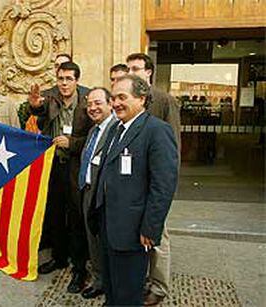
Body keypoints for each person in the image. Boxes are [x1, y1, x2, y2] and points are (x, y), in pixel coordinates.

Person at [95, 75, 178, 306]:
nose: (116, 103)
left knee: (129, 294)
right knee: (112, 289)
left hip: (133, 230)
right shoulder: (115, 129)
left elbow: (163, 185)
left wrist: (151, 228)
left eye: (122, 97)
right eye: (113, 98)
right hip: (109, 225)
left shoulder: (156, 130)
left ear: (141, 99)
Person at [28, 61, 93, 293]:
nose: (64, 83)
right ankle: (58, 257)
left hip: (75, 167)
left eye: (69, 79)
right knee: (54, 212)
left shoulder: (87, 101)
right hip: (53, 165)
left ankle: (79, 269)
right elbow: (37, 110)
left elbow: (96, 138)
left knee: (76, 217)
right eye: (61, 79)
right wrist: (33, 106)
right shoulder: (50, 97)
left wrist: (72, 143)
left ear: (77, 80)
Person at [126, 52, 181, 306]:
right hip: (132, 180)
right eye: (129, 68)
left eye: (136, 68)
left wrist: (166, 180)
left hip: (156, 179)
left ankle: (159, 286)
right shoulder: (128, 100)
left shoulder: (165, 101)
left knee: (158, 233)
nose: (131, 72)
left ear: (148, 72)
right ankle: (141, 279)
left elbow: (173, 146)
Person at [78, 87, 116, 299]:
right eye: (89, 104)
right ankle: (99, 278)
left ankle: (109, 282)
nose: (92, 108)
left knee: (106, 241)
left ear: (110, 104)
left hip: (105, 196)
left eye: (98, 103)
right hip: (88, 191)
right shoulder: (94, 130)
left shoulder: (116, 130)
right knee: (93, 239)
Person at [18, 53, 72, 131]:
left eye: (64, 65)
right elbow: (32, 115)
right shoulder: (46, 95)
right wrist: (34, 107)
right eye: (57, 66)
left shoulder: (84, 94)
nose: (60, 69)